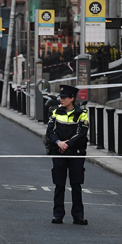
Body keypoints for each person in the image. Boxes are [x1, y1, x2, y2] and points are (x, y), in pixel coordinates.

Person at [45, 84, 89, 225]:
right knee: (59, 184)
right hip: (59, 151)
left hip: (76, 153)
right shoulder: (55, 112)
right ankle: (58, 214)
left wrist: (68, 144)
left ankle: (78, 216)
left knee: (76, 184)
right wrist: (58, 143)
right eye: (61, 97)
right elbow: (50, 132)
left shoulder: (82, 113)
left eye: (64, 98)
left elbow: (82, 133)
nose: (61, 100)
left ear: (72, 98)